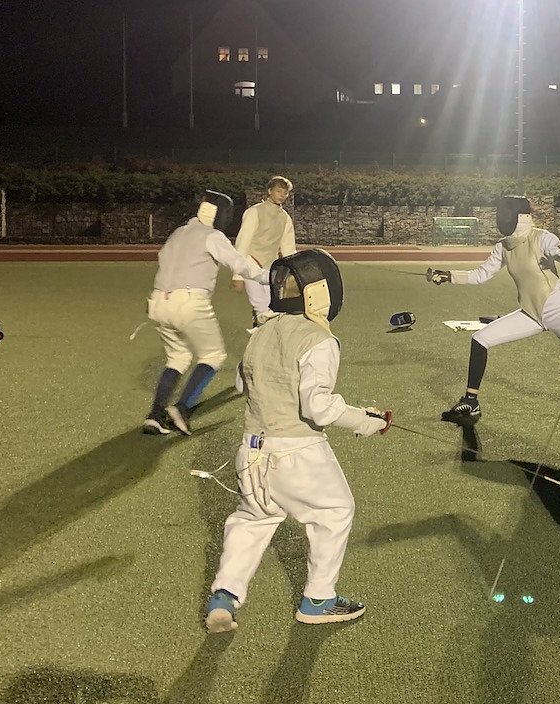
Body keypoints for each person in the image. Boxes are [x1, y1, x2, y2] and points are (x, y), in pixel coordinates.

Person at [204, 249, 390, 632]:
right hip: (296, 451)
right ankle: (318, 600)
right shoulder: (318, 339)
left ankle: (224, 595)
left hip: (251, 450)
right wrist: (366, 421)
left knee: (253, 519)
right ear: (321, 293)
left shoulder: (260, 331)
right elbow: (317, 407)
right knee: (335, 510)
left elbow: (241, 383)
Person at [428, 195, 560, 423]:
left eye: (506, 213)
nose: (503, 218)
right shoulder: (503, 246)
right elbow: (481, 275)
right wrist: (450, 276)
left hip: (557, 308)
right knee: (480, 339)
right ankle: (471, 402)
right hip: (530, 312)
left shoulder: (542, 238)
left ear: (519, 216)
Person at [143, 191, 270, 436]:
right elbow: (239, 264)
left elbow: (163, 259)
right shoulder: (212, 236)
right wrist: (268, 276)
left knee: (178, 357)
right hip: (189, 301)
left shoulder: (178, 232)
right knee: (213, 355)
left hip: (157, 302)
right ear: (219, 215)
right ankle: (182, 409)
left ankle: (155, 415)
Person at [232, 176, 297, 327]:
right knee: (261, 306)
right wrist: (237, 275)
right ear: (270, 191)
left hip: (270, 266)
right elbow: (243, 242)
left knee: (271, 305)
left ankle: (260, 327)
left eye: (285, 192)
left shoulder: (285, 218)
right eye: (279, 191)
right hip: (250, 262)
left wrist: (293, 272)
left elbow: (288, 248)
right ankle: (259, 328)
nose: (282, 195)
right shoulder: (254, 212)